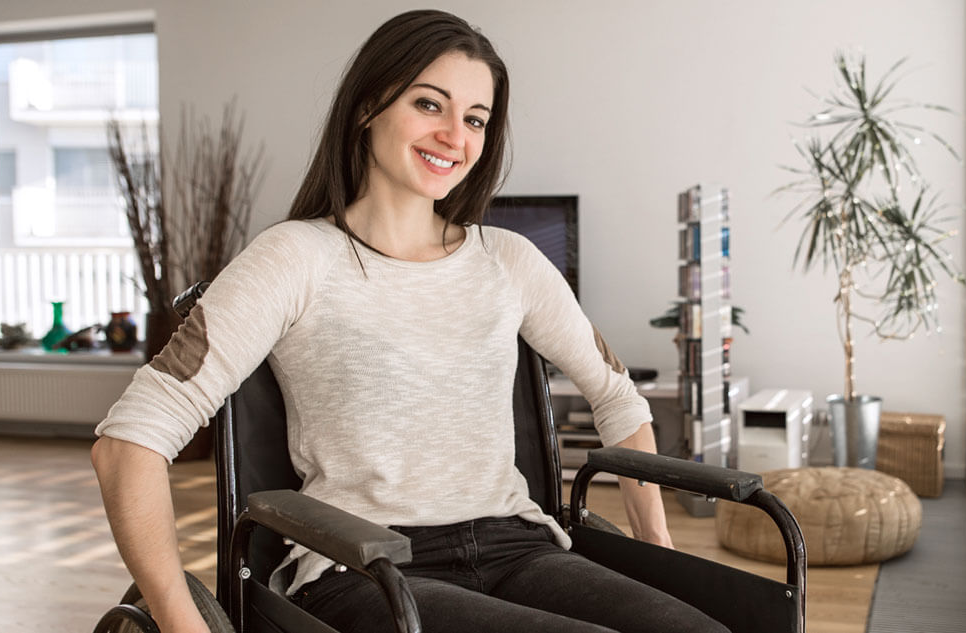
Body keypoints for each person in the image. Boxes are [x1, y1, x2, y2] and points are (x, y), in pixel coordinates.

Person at [91, 9, 728, 633]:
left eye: (475, 118)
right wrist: (180, 621)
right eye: (430, 104)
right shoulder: (296, 258)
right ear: (368, 105)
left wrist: (656, 554)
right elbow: (128, 443)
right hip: (365, 569)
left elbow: (618, 397)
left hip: (520, 548)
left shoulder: (508, 260)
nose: (456, 135)